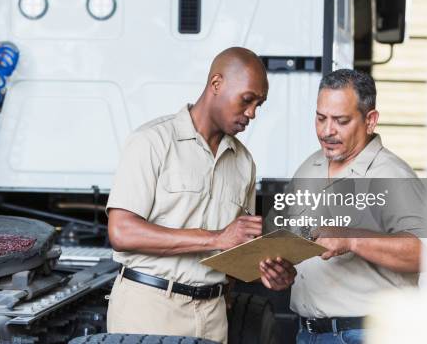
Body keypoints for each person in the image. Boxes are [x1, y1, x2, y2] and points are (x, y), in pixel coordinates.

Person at [105, 47, 296, 343]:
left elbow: (236, 249)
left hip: (213, 315)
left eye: (259, 104)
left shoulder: (244, 163)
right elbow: (122, 231)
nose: (252, 113)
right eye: (247, 100)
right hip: (148, 308)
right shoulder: (152, 142)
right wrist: (216, 238)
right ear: (216, 84)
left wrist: (268, 272)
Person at [288, 69, 423, 344]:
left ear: (370, 120)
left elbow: (423, 251)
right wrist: (283, 271)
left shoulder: (391, 175)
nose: (327, 131)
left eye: (341, 120)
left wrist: (351, 238)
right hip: (308, 333)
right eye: (321, 118)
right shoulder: (308, 167)